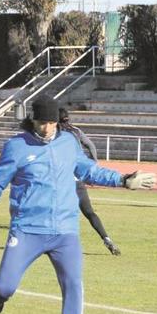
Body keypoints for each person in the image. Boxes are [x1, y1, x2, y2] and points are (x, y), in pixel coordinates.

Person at [0, 96, 157, 314]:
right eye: (42, 123)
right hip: (27, 229)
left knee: (73, 287)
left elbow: (89, 171)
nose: (47, 128)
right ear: (32, 120)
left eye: (52, 123)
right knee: (5, 287)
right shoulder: (16, 147)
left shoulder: (68, 143)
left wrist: (123, 179)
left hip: (65, 232)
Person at [58, 108, 121, 255]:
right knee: (89, 212)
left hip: (63, 179)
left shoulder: (56, 135)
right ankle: (107, 239)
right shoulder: (76, 131)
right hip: (79, 178)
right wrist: (93, 163)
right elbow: (90, 145)